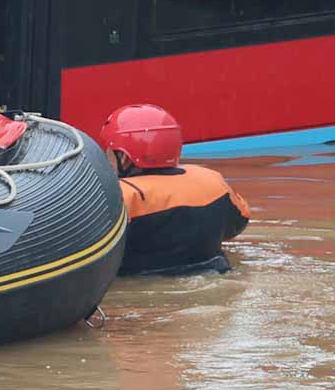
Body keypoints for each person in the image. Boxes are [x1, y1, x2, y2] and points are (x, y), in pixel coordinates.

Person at [100, 103, 252, 275]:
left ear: (124, 158)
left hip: (142, 285)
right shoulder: (212, 181)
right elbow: (237, 225)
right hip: (213, 271)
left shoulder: (117, 196)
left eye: (109, 152)